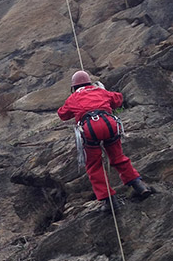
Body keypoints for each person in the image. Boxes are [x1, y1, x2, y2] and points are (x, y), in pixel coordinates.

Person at [57, 70, 152, 213]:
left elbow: (62, 114)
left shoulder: (74, 98)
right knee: (118, 157)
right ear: (89, 82)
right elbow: (118, 99)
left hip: (90, 128)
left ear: (73, 87)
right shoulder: (100, 91)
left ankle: (109, 200)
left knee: (95, 165)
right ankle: (139, 185)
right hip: (109, 124)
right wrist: (102, 91)